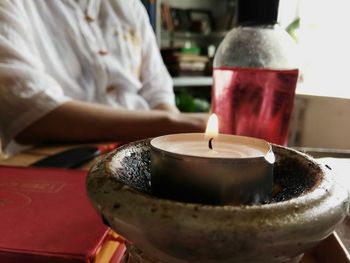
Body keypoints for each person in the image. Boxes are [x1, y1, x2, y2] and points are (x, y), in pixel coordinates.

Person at [0, 0, 208, 156]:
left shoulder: (130, 6)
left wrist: (176, 143)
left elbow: (158, 92)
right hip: (56, 161)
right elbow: (31, 114)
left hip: (140, 154)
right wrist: (171, 123)